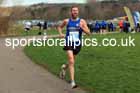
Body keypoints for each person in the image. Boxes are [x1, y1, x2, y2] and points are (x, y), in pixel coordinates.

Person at [57, 6, 91, 88]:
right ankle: (72, 82)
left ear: (78, 12)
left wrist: (82, 28)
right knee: (72, 61)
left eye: (76, 11)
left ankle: (64, 67)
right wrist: (61, 33)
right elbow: (59, 27)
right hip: (69, 42)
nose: (75, 12)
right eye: (73, 10)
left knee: (70, 62)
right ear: (71, 12)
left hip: (77, 44)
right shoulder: (67, 21)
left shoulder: (82, 21)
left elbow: (89, 33)